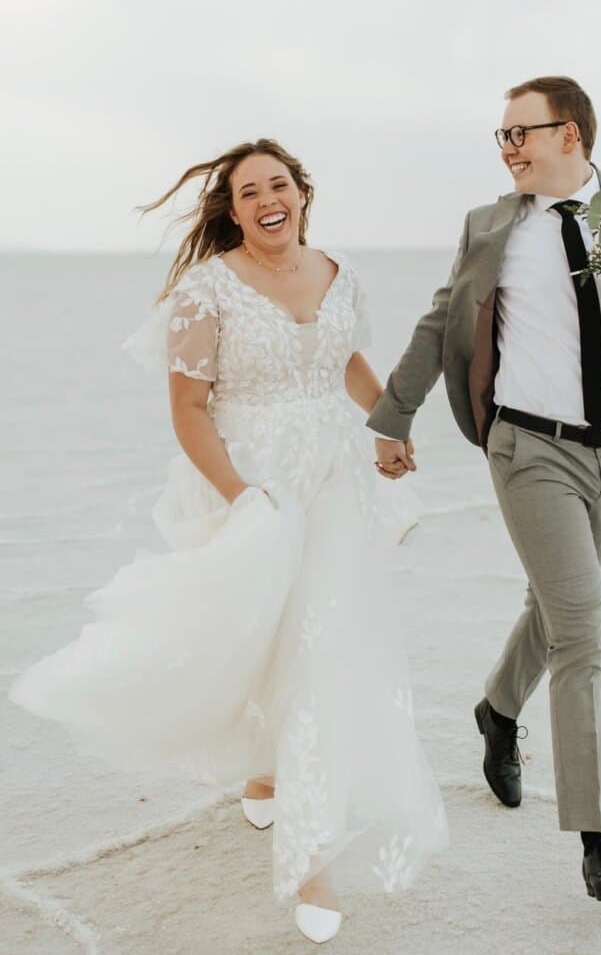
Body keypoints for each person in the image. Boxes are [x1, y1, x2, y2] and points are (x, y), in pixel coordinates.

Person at [10, 139, 447, 944]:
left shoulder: (338, 272)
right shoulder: (205, 293)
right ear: (232, 211)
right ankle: (267, 775)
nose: (266, 199)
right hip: (253, 483)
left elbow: (345, 360)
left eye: (278, 184)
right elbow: (187, 411)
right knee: (265, 642)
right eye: (249, 192)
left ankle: (308, 851)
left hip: (336, 484)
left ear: (301, 193)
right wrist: (244, 499)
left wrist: (390, 425)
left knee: (323, 649)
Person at [368, 76, 601, 902]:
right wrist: (393, 419)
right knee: (583, 631)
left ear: (569, 134)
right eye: (499, 137)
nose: (507, 149)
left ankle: (497, 709)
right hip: (526, 446)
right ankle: (598, 841)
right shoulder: (491, 226)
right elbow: (441, 322)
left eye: (518, 133)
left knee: (556, 608)